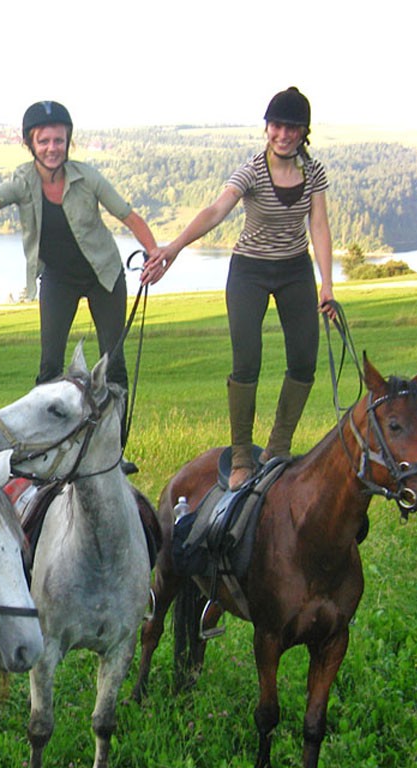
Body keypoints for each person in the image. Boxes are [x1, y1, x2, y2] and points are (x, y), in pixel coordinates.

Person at [0, 100, 158, 471]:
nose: (52, 148)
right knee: (49, 367)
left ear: (68, 142)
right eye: (44, 141)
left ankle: (113, 454)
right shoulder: (23, 182)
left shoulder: (88, 178)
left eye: (59, 140)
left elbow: (128, 215)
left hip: (103, 275)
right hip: (58, 278)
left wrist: (153, 252)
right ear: (30, 144)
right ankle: (44, 449)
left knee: (113, 368)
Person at [143, 87, 334, 490]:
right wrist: (174, 248)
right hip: (250, 271)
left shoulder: (313, 172)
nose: (284, 134)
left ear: (304, 132)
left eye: (293, 127)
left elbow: (319, 225)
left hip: (295, 270)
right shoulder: (251, 171)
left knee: (304, 360)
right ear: (267, 128)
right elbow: (216, 210)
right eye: (277, 125)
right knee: (247, 361)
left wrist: (327, 286)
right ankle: (243, 456)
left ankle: (278, 448)